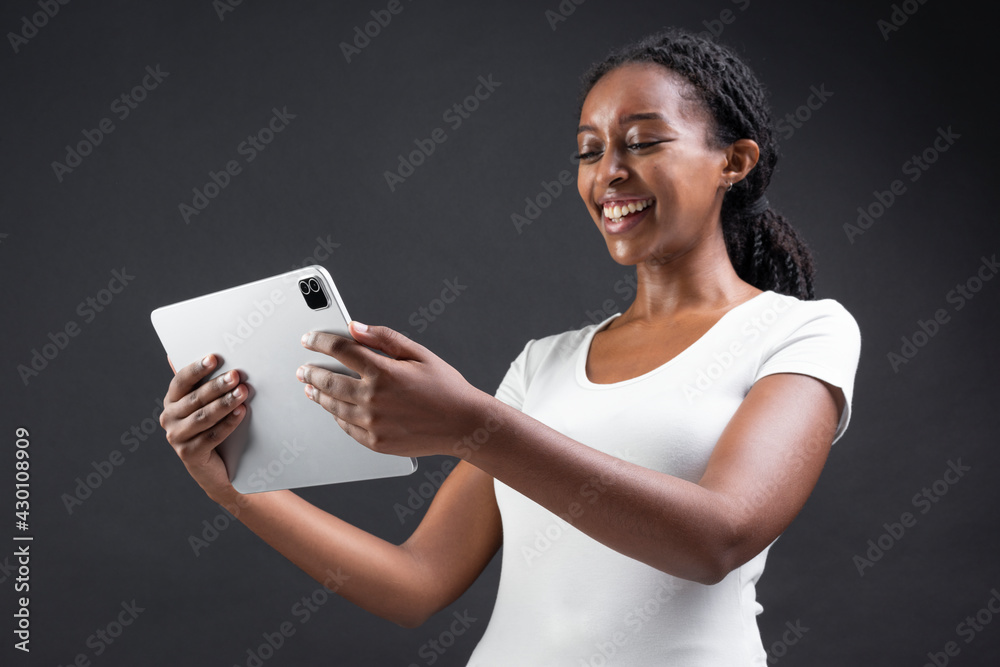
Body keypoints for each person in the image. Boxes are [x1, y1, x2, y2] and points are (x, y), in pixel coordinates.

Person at [159, 28, 861, 665]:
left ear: (733, 161)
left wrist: (472, 424)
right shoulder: (542, 363)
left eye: (643, 141)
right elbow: (417, 582)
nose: (608, 171)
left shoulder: (801, 332)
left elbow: (719, 538)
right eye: (589, 150)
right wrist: (238, 490)